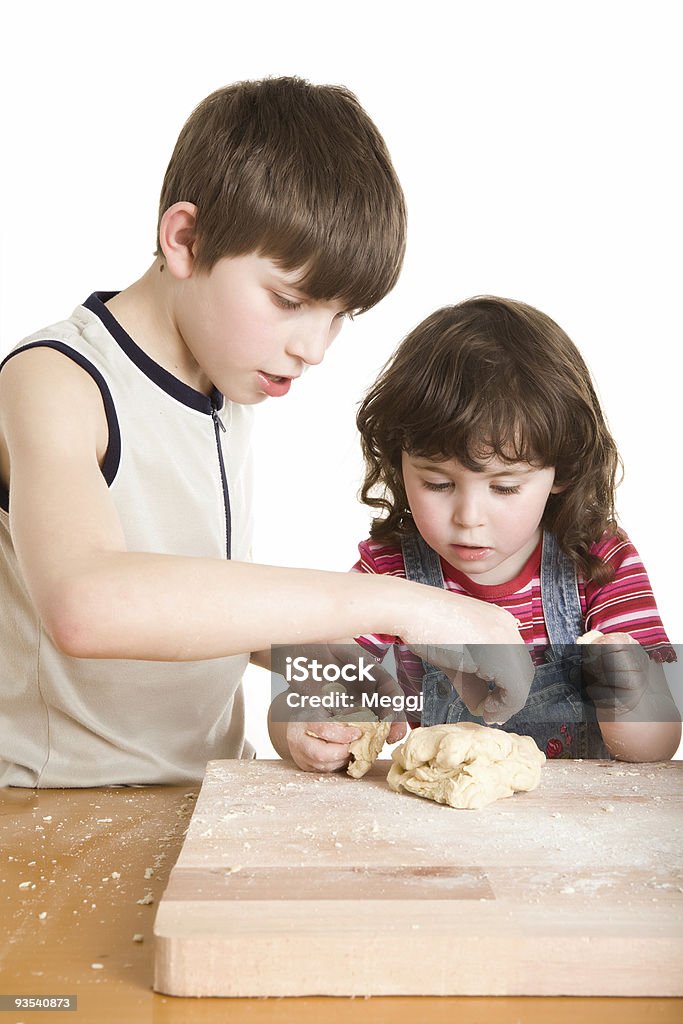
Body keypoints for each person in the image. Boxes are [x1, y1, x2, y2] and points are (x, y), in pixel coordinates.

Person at [0, 79, 526, 788]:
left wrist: (343, 671)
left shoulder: (224, 383)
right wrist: (405, 606)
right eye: (290, 300)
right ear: (184, 239)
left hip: (204, 793)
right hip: (55, 813)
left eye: (340, 316)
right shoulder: (54, 381)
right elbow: (87, 606)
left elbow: (193, 610)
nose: (314, 346)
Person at [345, 296, 680, 763]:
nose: (468, 516)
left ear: (561, 471)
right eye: (437, 482)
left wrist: (631, 693)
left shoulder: (599, 563)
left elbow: (655, 750)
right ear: (399, 463)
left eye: (503, 488)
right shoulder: (389, 571)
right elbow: (306, 677)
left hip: (578, 826)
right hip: (445, 826)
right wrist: (320, 718)